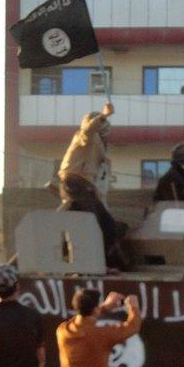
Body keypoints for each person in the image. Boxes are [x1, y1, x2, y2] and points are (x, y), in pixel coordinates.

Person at [56, 102, 128, 270]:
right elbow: (89, 129)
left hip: (86, 187)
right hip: (74, 183)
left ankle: (101, 262)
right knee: (90, 223)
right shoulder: (86, 137)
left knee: (108, 224)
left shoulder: (97, 145)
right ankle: (82, 261)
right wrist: (104, 115)